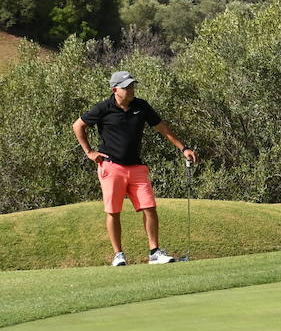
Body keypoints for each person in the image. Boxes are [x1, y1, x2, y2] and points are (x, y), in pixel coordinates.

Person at [73, 70, 198, 266]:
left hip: (137, 167)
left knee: (150, 207)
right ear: (115, 89)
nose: (131, 90)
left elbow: (162, 128)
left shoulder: (141, 106)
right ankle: (118, 255)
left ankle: (154, 252)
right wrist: (89, 152)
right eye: (126, 87)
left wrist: (183, 148)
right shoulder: (103, 108)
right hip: (111, 166)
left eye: (132, 86)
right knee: (113, 212)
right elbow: (78, 126)